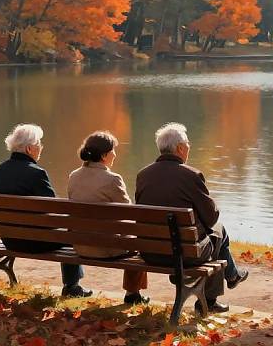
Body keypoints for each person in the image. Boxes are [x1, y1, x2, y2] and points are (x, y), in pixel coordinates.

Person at [135, 122, 248, 313]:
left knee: (213, 235)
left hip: (150, 253)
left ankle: (232, 275)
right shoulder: (191, 175)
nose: (189, 147)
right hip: (184, 255)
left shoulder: (142, 175)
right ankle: (212, 298)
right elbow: (211, 218)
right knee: (219, 231)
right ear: (179, 148)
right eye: (188, 143)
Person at [0, 123, 92, 298]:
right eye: (39, 144)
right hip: (34, 242)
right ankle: (72, 286)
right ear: (30, 148)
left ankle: (72, 285)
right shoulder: (36, 173)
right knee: (72, 232)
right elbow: (54, 209)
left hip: (9, 238)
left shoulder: (0, 170)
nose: (41, 148)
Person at [67, 131, 149, 305]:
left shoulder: (73, 176)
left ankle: (71, 284)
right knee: (137, 237)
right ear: (104, 155)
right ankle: (132, 294)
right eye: (113, 150)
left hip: (80, 245)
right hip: (106, 249)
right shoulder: (113, 179)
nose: (115, 154)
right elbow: (129, 214)